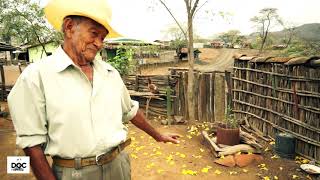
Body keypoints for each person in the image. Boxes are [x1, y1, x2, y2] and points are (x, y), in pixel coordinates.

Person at [7, 0, 180, 179]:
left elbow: (130, 111)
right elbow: (31, 144)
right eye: (94, 34)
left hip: (118, 166)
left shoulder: (110, 73)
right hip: (74, 173)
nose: (99, 43)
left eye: (102, 38)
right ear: (69, 28)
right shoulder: (36, 76)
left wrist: (158, 135)